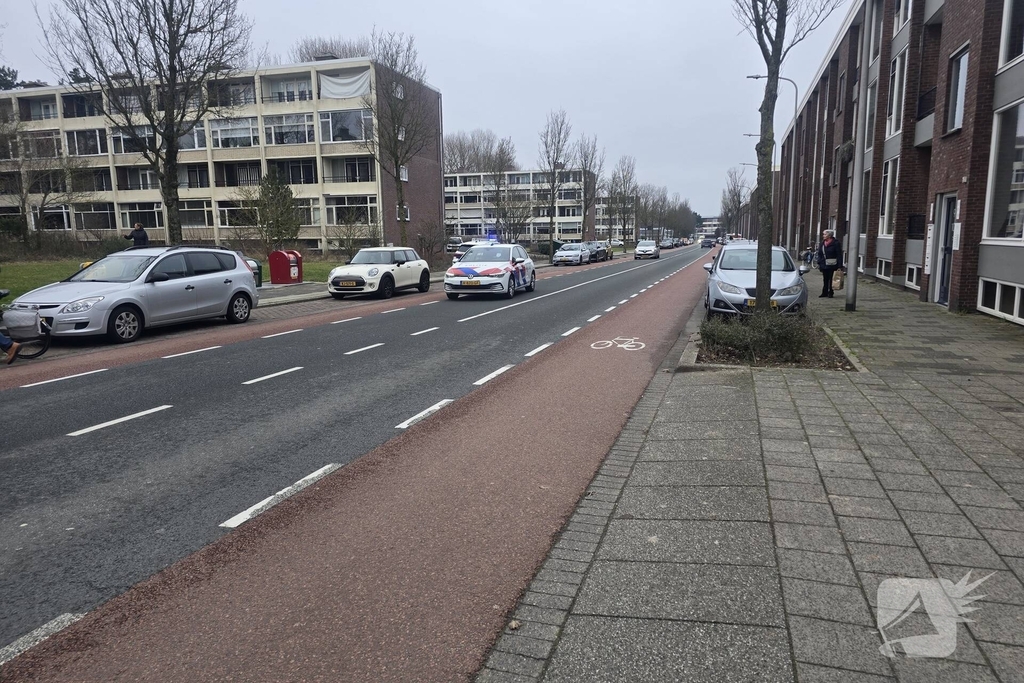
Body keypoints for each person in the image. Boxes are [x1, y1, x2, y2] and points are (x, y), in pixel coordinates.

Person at [816, 229, 844, 298]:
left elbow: (839, 254)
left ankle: (830, 292)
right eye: (823, 234)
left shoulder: (836, 243)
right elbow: (820, 253)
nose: (823, 236)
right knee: (825, 278)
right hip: (824, 263)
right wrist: (819, 262)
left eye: (825, 234)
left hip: (833, 264)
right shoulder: (822, 243)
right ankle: (824, 292)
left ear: (829, 235)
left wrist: (840, 265)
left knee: (831, 278)